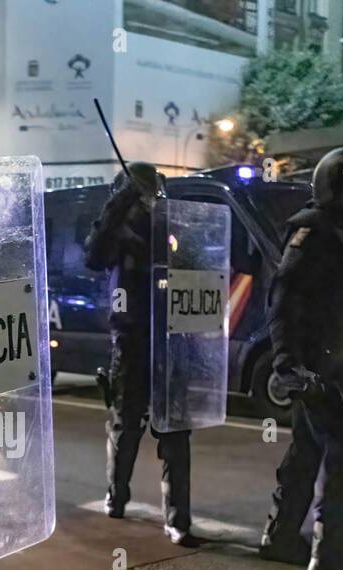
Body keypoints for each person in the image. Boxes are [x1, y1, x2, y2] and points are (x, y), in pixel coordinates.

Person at [257, 146, 343, 570]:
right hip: (314, 366)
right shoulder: (313, 231)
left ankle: (281, 535)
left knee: (307, 452)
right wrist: (290, 363)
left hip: (333, 362)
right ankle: (330, 560)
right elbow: (284, 299)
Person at [85, 162, 196, 546]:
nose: (149, 199)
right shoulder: (117, 235)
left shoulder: (168, 228)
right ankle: (116, 497)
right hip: (131, 341)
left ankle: (179, 520)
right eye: (142, 192)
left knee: (175, 431)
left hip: (171, 340)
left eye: (151, 192)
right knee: (125, 426)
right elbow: (94, 255)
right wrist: (122, 201)